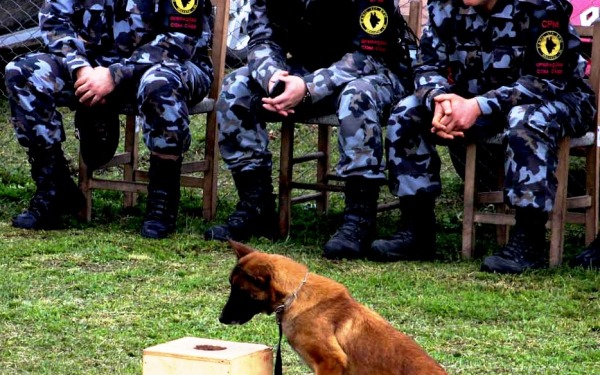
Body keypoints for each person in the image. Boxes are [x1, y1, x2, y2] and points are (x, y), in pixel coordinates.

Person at [370, 0, 597, 273]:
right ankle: (416, 229)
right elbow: (427, 66)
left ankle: (528, 241)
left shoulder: (542, 6)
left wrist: (477, 106)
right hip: (477, 100)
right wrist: (440, 100)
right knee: (407, 113)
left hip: (560, 98)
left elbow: (544, 81)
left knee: (526, 119)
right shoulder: (445, 7)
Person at [203, 0, 416, 259]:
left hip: (375, 73)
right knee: (237, 86)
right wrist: (273, 78)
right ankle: (256, 206)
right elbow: (262, 40)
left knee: (356, 96)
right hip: (306, 70)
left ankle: (359, 220)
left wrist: (308, 87)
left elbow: (368, 56)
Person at [5, 0, 214, 239]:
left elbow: (179, 40)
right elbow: (54, 21)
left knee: (159, 84)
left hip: (171, 66)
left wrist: (115, 74)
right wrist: (81, 68)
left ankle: (162, 201)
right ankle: (54, 188)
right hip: (93, 70)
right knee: (22, 72)